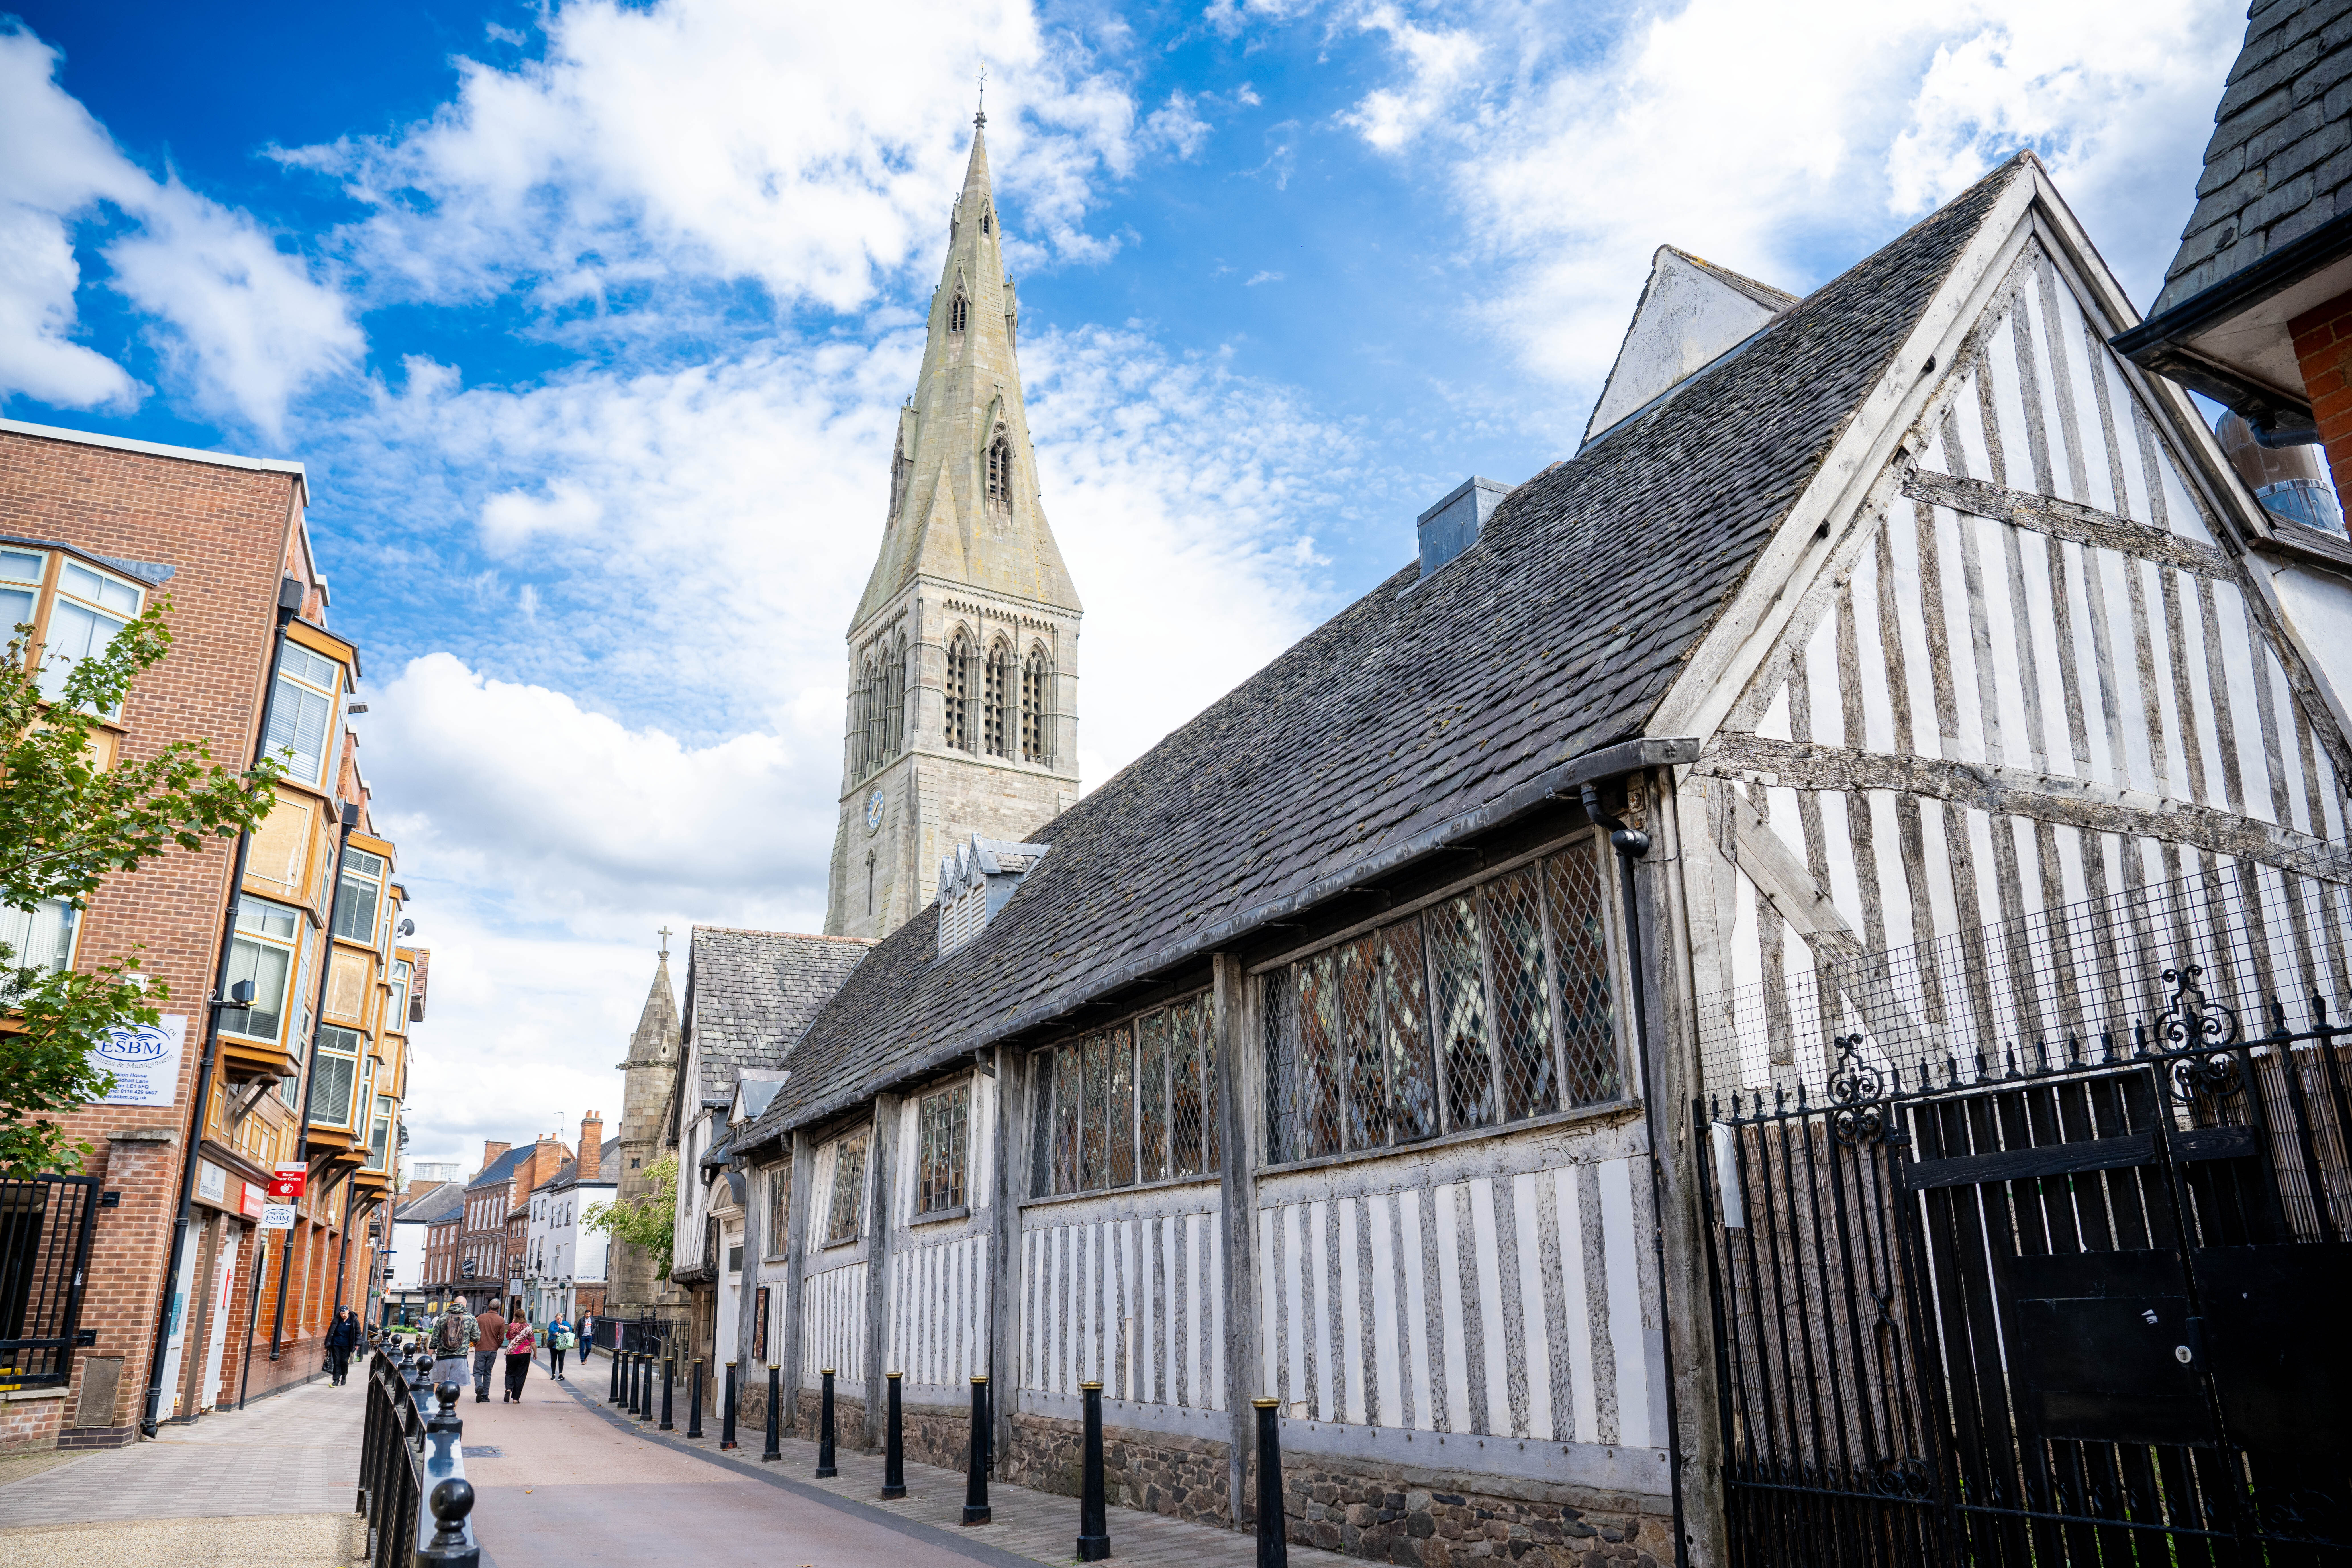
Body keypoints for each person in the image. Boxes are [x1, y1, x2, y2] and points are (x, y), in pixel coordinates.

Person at [428, 1302, 477, 1396]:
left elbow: (435, 1339)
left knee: (437, 1382)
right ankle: (453, 1406)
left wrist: (429, 1356)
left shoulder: (443, 1317)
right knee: (456, 1386)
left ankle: (435, 1403)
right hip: (460, 1357)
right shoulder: (471, 1318)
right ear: (465, 1304)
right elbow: (476, 1338)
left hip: (442, 1357)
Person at [473, 1302, 506, 1404]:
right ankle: (485, 1396)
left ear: (489, 1306)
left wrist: (476, 1343)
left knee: (478, 1372)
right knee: (488, 1373)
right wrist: (497, 1346)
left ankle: (479, 1387)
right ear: (499, 1308)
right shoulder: (501, 1320)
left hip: (481, 1348)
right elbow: (502, 1337)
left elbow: (474, 1332)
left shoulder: (481, 1318)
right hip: (493, 1349)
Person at [502, 1318, 537, 1402]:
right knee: (521, 1375)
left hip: (511, 1353)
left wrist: (513, 1324)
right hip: (525, 1353)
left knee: (510, 1372)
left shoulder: (512, 1326)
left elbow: (508, 1337)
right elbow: (533, 1342)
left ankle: (509, 1389)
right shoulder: (529, 1327)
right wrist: (535, 1353)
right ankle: (516, 1399)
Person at [324, 1306, 361, 1386]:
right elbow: (331, 1331)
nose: (343, 1315)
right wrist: (328, 1342)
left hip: (347, 1344)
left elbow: (358, 1333)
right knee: (337, 1362)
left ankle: (344, 1376)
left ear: (348, 1311)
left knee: (344, 1361)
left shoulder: (354, 1320)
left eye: (344, 1314)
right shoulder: (337, 1320)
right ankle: (336, 1380)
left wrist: (357, 1344)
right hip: (336, 1344)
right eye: (341, 1314)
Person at [546, 1316, 574, 1381]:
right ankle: (553, 1375)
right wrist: (559, 1334)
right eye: (558, 1319)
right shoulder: (553, 1324)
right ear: (556, 1319)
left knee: (561, 1359)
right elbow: (551, 1331)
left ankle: (560, 1374)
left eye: (561, 1319)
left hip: (563, 1345)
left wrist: (564, 1327)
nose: (560, 1320)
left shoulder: (565, 1323)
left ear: (562, 1319)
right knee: (554, 1360)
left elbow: (570, 1330)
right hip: (554, 1345)